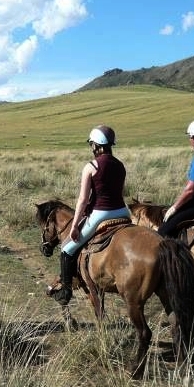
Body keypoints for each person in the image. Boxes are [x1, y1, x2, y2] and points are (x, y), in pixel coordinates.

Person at [48, 125, 131, 305]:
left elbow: (83, 200)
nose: (91, 147)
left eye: (92, 144)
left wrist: (76, 225)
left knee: (66, 248)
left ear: (96, 145)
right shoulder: (120, 165)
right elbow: (120, 192)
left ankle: (66, 290)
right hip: (123, 211)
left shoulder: (91, 166)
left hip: (101, 214)